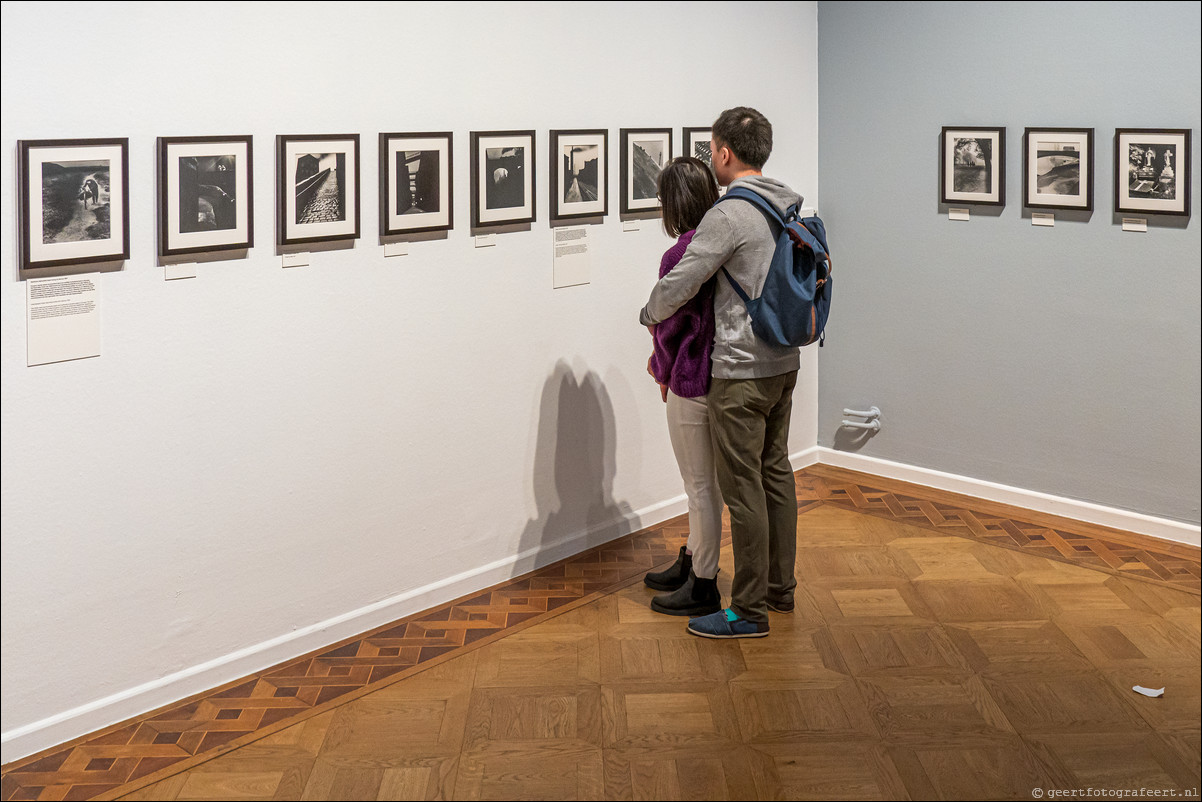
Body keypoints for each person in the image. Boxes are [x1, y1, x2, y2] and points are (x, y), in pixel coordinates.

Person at [639, 106, 802, 639]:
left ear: (725, 153)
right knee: (775, 476)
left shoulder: (729, 215)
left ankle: (747, 610)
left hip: (741, 371)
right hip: (784, 362)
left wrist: (648, 312)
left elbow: (681, 283)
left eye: (712, 151)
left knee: (740, 490)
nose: (712, 160)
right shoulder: (785, 204)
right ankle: (780, 589)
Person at [642, 156, 724, 618]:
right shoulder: (720, 243)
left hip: (691, 380)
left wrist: (660, 370)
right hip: (724, 375)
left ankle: (704, 581)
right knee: (705, 483)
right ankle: (693, 557)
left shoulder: (679, 255)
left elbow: (669, 328)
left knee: (698, 485)